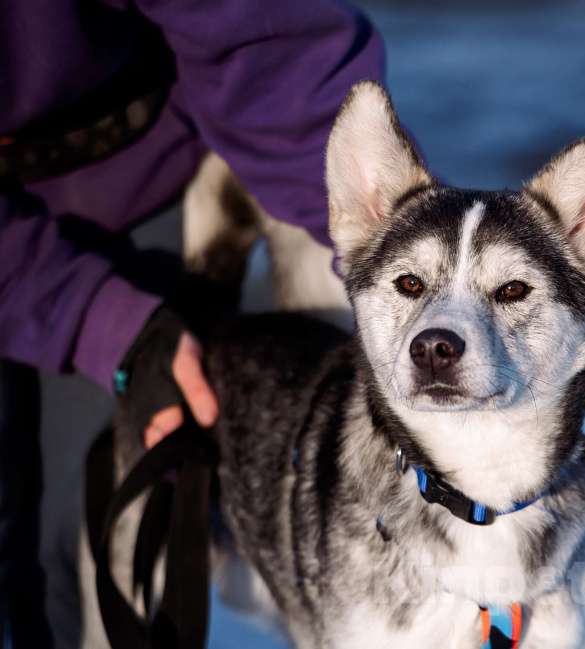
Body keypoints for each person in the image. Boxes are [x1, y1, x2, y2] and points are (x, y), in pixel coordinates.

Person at [0, 1, 385, 645]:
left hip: (122, 178)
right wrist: (98, 321)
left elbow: (268, 42)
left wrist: (391, 235)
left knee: (95, 580)